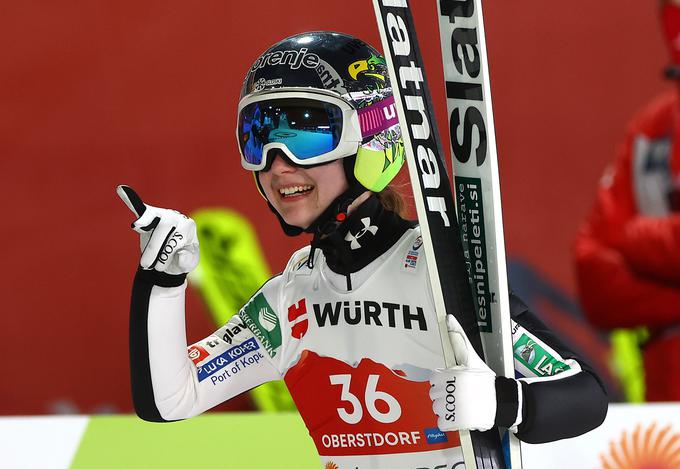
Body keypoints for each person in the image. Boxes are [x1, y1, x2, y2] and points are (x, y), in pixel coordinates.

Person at [120, 31, 608, 468]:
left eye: (305, 134)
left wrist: (505, 403)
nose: (277, 164)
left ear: (372, 141)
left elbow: (585, 396)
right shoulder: (291, 301)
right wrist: (162, 281)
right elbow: (169, 399)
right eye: (258, 137)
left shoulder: (438, 273)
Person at [574, 0, 680, 402]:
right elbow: (594, 279)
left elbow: (618, 240)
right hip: (662, 423)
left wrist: (636, 239)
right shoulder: (652, 131)